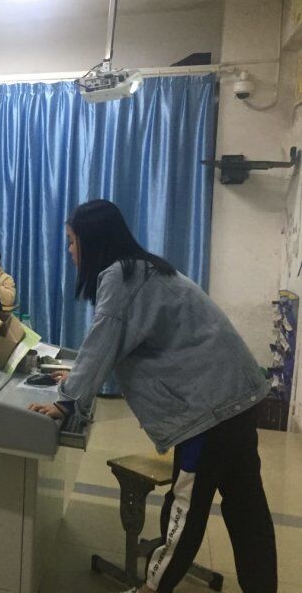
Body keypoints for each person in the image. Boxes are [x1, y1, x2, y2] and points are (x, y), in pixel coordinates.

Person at [28, 200, 276, 593]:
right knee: (246, 506)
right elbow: (119, 343)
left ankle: (153, 588)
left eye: (73, 242)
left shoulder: (120, 275)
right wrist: (77, 378)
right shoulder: (146, 268)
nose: (71, 251)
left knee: (185, 505)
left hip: (209, 407)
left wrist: (66, 401)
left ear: (92, 241)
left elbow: (104, 337)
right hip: (237, 394)